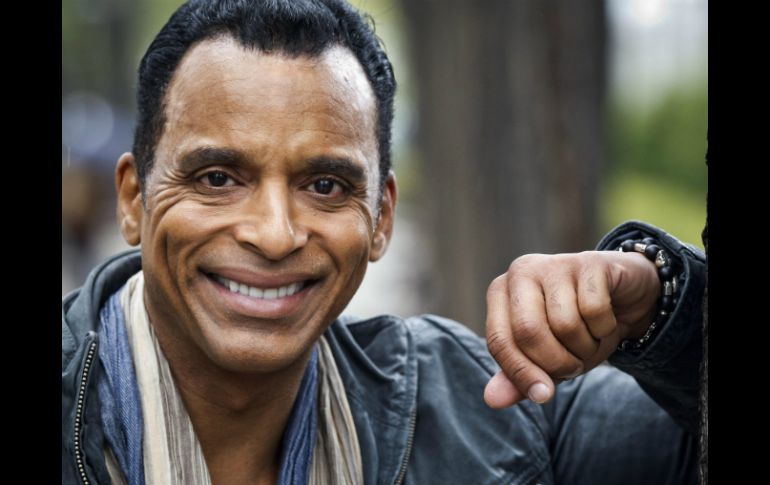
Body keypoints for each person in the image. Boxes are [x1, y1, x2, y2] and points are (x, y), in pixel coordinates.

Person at [61, 1, 705, 484]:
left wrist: (667, 310)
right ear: (134, 200)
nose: (275, 234)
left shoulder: (480, 411)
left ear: (381, 217)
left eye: (325, 185)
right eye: (218, 178)